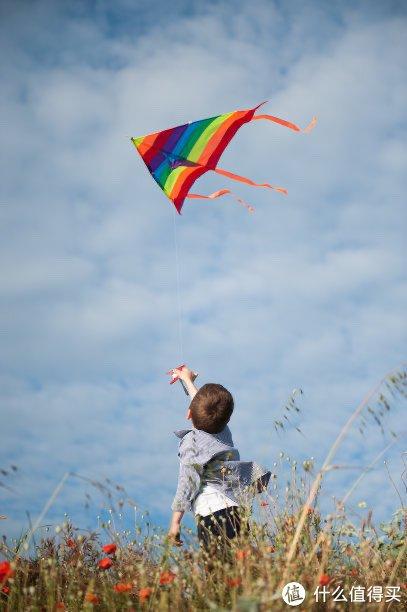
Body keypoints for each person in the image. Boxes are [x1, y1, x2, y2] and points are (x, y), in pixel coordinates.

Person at [168, 365, 270, 553]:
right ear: (227, 420)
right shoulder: (223, 434)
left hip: (212, 515)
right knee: (242, 568)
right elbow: (204, 407)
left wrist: (175, 523)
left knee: (221, 572)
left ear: (189, 413)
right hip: (235, 511)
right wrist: (188, 381)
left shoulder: (191, 443)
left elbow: (187, 481)